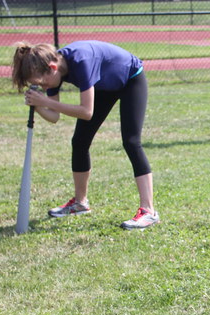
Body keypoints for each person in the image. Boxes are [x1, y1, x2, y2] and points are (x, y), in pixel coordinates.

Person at [11, 40, 159, 230]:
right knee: (80, 141)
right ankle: (80, 203)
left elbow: (86, 111)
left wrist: (45, 102)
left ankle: (149, 211)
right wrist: (38, 105)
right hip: (105, 86)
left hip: (130, 78)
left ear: (52, 68)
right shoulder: (53, 72)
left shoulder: (82, 60)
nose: (44, 87)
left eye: (43, 83)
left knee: (131, 141)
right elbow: (54, 116)